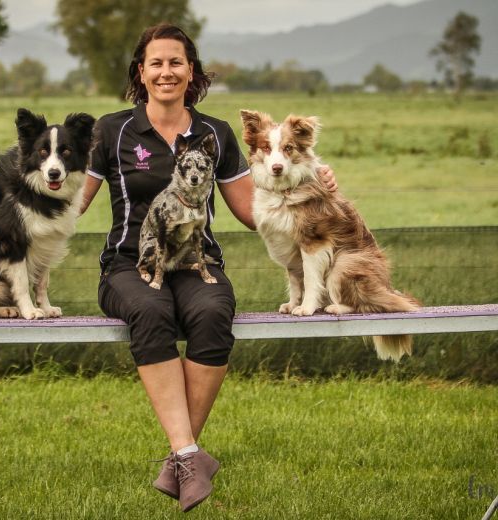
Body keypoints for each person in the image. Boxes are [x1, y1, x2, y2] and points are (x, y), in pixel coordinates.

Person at [79, 23, 336, 512]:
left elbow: (250, 209)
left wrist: (314, 183)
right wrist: (30, 188)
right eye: (156, 62)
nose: (166, 71)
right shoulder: (111, 131)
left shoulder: (214, 132)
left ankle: (181, 456)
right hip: (131, 265)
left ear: (190, 70)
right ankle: (190, 456)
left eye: (176, 62)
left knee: (215, 311)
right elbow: (72, 202)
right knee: (150, 312)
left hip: (199, 264)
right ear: (141, 71)